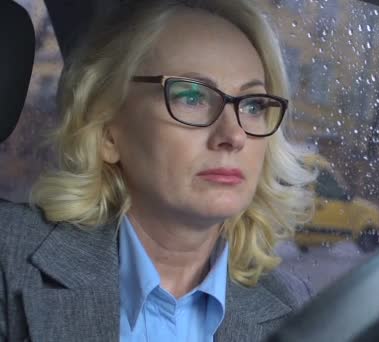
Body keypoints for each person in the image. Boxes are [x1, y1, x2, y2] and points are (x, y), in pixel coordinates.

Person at [0, 0, 316, 341]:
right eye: (191, 96)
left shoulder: (296, 305)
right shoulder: (9, 258)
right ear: (107, 131)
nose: (234, 136)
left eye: (253, 105)